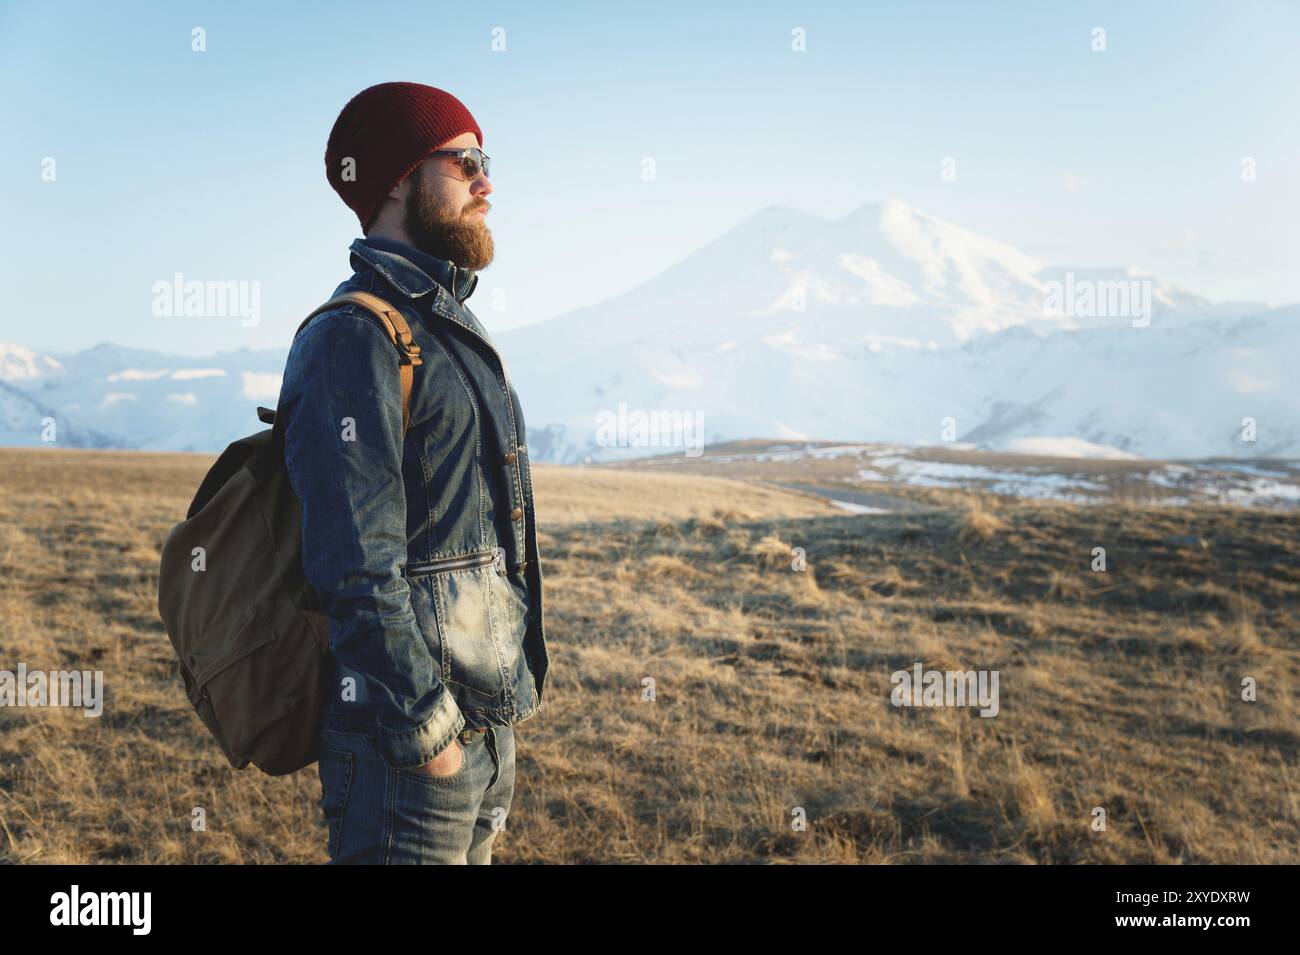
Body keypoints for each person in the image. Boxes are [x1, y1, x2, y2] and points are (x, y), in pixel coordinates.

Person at [277, 82, 549, 864]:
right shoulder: (354, 337)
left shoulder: (444, 325)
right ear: (399, 177)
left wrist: (483, 734)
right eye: (465, 161)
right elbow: (355, 565)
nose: (486, 181)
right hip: (411, 753)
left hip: (480, 732)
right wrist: (430, 736)